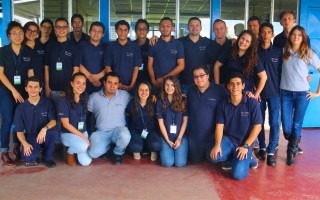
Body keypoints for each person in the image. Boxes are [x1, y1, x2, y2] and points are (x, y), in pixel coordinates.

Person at [207, 72, 262, 180]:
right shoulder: (222, 104)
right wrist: (217, 145)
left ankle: (250, 157)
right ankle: (233, 157)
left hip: (245, 142)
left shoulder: (252, 103)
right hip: (229, 140)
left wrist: (246, 146)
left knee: (238, 175)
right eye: (231, 84)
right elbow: (219, 126)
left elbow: (258, 127)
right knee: (214, 156)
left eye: (238, 83)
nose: (235, 87)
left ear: (243, 86)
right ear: (228, 86)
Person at [280, 25, 320, 166]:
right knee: (286, 127)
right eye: (294, 34)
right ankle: (295, 142)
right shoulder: (284, 51)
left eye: (299, 35)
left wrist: (318, 92)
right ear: (290, 36)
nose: (296, 37)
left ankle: (291, 151)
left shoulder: (309, 53)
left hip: (302, 94)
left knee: (297, 123)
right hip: (285, 93)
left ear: (303, 38)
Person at [0, 21, 34, 167]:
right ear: (9, 36)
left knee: (20, 120)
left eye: (20, 33)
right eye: (14, 33)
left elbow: (30, 73)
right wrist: (13, 90)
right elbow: (0, 74)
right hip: (6, 91)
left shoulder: (28, 51)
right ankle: (4, 151)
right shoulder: (2, 52)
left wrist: (32, 90)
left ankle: (17, 148)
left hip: (22, 92)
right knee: (7, 120)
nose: (18, 36)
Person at [88, 72, 131, 165]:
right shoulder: (94, 97)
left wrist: (152, 97)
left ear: (119, 85)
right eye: (109, 82)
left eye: (115, 83)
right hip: (101, 132)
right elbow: (84, 113)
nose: (112, 86)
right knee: (93, 153)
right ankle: (110, 147)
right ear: (104, 83)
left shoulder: (125, 95)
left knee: (125, 136)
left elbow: (139, 100)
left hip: (118, 131)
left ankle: (118, 153)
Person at [14, 76, 58, 167]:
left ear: (40, 88)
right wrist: (25, 143)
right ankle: (35, 152)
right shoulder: (20, 108)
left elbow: (53, 121)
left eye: (36, 87)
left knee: (53, 132)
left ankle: (47, 157)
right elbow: (19, 132)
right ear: (26, 89)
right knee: (29, 158)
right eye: (30, 87)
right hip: (31, 135)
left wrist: (44, 129)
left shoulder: (48, 102)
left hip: (46, 133)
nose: (33, 89)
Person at [187, 65, 227, 162]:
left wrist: (247, 94)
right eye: (195, 76)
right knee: (194, 160)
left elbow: (234, 101)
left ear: (208, 75)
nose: (199, 79)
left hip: (212, 139)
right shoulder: (191, 92)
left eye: (201, 75)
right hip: (195, 139)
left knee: (215, 158)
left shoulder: (219, 91)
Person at [213, 30, 267, 100]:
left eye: (247, 41)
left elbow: (264, 77)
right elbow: (216, 66)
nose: (243, 42)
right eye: (242, 38)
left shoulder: (253, 57)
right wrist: (218, 86)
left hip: (246, 93)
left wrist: (256, 94)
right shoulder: (230, 51)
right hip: (229, 92)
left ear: (251, 44)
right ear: (239, 38)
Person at [256, 22, 283, 166]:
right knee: (259, 122)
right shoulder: (255, 52)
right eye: (263, 32)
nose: (265, 35)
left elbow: (285, 72)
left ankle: (271, 151)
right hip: (259, 94)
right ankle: (261, 147)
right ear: (259, 34)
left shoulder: (278, 52)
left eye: (268, 32)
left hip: (275, 93)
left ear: (272, 34)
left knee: (273, 122)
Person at [58, 72, 92, 166]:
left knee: (86, 162)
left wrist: (84, 136)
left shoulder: (86, 97)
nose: (81, 86)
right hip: (68, 134)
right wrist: (84, 137)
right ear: (72, 84)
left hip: (82, 132)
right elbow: (65, 124)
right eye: (78, 82)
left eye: (83, 83)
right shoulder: (63, 100)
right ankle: (70, 152)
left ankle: (78, 148)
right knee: (83, 145)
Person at [44, 17, 80, 102]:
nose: (61, 29)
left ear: (68, 29)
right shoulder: (49, 46)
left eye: (64, 27)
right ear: (55, 29)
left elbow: (76, 70)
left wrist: (70, 89)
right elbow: (46, 68)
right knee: (52, 114)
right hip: (52, 89)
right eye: (58, 27)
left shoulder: (74, 46)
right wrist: (46, 86)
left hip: (67, 90)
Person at [156, 76, 188, 167]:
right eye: (167, 85)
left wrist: (179, 138)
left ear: (176, 86)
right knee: (167, 163)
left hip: (180, 136)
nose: (169, 88)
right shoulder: (160, 102)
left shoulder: (183, 100)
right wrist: (168, 140)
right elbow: (161, 123)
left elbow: (185, 121)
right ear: (164, 86)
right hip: (166, 137)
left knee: (180, 163)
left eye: (172, 85)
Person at [126, 81, 161, 161]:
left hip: (150, 131)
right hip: (136, 131)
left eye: (146, 90)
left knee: (156, 145)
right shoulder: (132, 103)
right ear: (137, 91)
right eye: (141, 90)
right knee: (135, 147)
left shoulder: (154, 102)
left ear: (150, 91)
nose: (144, 92)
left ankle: (152, 150)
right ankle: (138, 148)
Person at [148, 17, 185, 90]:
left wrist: (164, 79)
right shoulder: (154, 43)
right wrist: (153, 80)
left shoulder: (178, 44)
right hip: (157, 83)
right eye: (162, 26)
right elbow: (149, 64)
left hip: (173, 84)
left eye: (168, 26)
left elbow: (181, 66)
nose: (165, 28)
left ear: (172, 28)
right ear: (159, 28)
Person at [105, 20, 141, 93]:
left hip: (130, 86)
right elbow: (107, 67)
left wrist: (132, 85)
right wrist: (117, 84)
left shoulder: (135, 47)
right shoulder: (110, 46)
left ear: (128, 31)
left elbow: (136, 68)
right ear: (116, 30)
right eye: (120, 30)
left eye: (125, 30)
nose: (122, 32)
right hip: (114, 86)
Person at [178, 17, 212, 93]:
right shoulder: (180, 42)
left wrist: (232, 41)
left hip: (203, 83)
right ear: (187, 27)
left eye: (197, 25)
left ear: (201, 27)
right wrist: (156, 38)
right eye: (191, 25)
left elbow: (220, 44)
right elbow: (168, 41)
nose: (194, 28)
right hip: (185, 83)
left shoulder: (208, 42)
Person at [79, 21, 107, 95]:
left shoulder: (107, 47)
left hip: (100, 85)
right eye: (94, 30)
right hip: (83, 85)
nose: (96, 33)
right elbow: (78, 64)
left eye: (99, 31)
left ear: (103, 34)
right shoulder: (81, 45)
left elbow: (109, 65)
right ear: (89, 32)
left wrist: (97, 77)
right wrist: (90, 78)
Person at [24, 22, 45, 87]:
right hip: (23, 83)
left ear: (37, 33)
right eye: (29, 30)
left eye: (34, 31)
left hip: (39, 83)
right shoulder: (20, 47)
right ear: (24, 31)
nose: (31, 33)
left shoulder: (41, 46)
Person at [134, 19, 151, 83]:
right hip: (133, 79)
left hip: (148, 79)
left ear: (148, 31)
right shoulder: (130, 46)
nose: (141, 31)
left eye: (144, 29)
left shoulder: (152, 45)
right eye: (139, 29)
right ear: (135, 30)